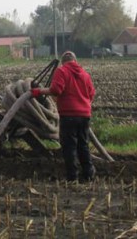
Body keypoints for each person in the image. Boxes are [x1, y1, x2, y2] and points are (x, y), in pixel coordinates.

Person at [32, 51, 96, 182]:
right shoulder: (85, 74)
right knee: (83, 145)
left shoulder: (62, 71)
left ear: (63, 62)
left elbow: (56, 90)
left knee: (69, 147)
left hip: (68, 115)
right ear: (75, 61)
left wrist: (38, 91)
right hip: (84, 115)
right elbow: (91, 94)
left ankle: (72, 177)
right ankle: (89, 175)